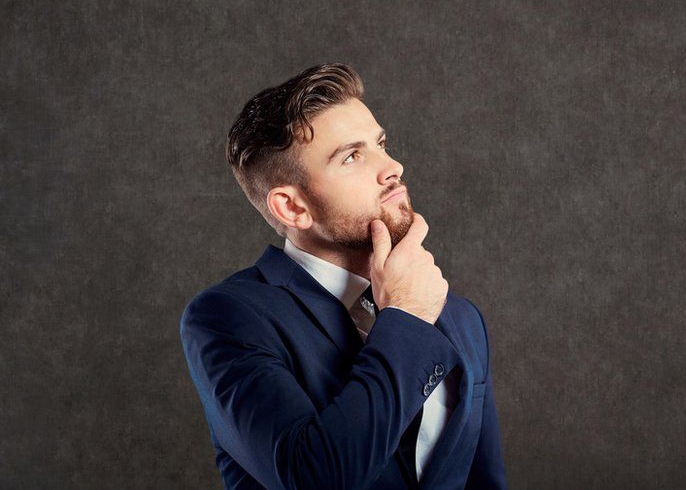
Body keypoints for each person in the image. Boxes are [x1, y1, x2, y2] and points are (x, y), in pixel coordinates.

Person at [179, 63, 508, 489]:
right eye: (352, 156)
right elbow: (316, 477)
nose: (393, 167)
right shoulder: (227, 317)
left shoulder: (461, 318)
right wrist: (405, 316)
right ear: (293, 207)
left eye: (381, 143)